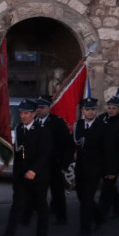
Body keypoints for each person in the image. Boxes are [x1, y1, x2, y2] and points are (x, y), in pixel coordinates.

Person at [0, 100, 52, 236]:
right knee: (16, 206)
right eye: (21, 113)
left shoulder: (42, 130)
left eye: (26, 113)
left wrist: (34, 170)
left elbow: (44, 154)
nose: (23, 116)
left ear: (34, 114)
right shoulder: (20, 129)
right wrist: (16, 168)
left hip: (38, 176)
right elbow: (21, 152)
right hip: (22, 176)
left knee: (41, 206)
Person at [35, 96, 73, 225]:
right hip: (38, 164)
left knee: (57, 192)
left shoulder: (57, 122)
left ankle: (61, 217)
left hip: (54, 164)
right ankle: (34, 214)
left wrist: (64, 165)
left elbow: (67, 145)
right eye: (37, 107)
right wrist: (25, 160)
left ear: (48, 108)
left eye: (42, 107)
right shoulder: (33, 122)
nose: (39, 110)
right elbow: (25, 148)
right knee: (37, 192)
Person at [73, 97, 106, 236]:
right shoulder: (78, 125)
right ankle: (99, 217)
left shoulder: (102, 126)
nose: (90, 112)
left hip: (94, 169)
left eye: (93, 109)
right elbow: (72, 144)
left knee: (86, 200)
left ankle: (85, 229)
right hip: (80, 168)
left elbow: (107, 149)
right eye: (88, 109)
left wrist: (108, 169)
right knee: (82, 197)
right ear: (82, 111)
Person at [97, 95, 119, 219]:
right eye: (109, 108)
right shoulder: (101, 119)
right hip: (102, 159)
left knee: (107, 187)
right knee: (109, 184)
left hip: (114, 160)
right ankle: (118, 208)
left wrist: (117, 164)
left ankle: (101, 213)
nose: (110, 110)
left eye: (114, 108)